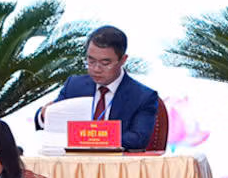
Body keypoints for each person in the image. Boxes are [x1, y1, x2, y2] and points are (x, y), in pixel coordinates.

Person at [36, 24, 165, 151]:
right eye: (91, 61)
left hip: (117, 163)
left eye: (105, 63)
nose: (96, 69)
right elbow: (52, 123)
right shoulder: (74, 86)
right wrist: (43, 115)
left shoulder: (143, 97)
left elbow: (138, 139)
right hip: (74, 162)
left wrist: (90, 137)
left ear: (123, 60)